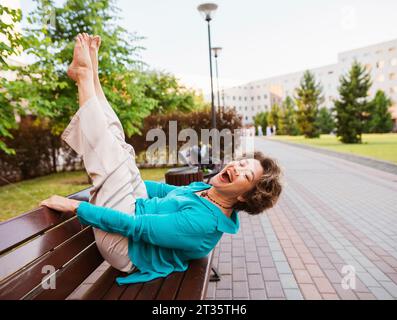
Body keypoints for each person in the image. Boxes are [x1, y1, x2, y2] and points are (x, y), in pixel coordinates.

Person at [40, 34, 283, 285]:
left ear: (244, 196)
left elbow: (137, 228)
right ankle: (92, 79)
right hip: (134, 212)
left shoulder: (204, 222)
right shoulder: (207, 192)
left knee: (113, 158)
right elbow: (158, 189)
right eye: (242, 163)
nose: (237, 167)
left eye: (246, 174)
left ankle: (84, 77)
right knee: (122, 151)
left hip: (126, 248)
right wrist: (128, 176)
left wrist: (77, 207)